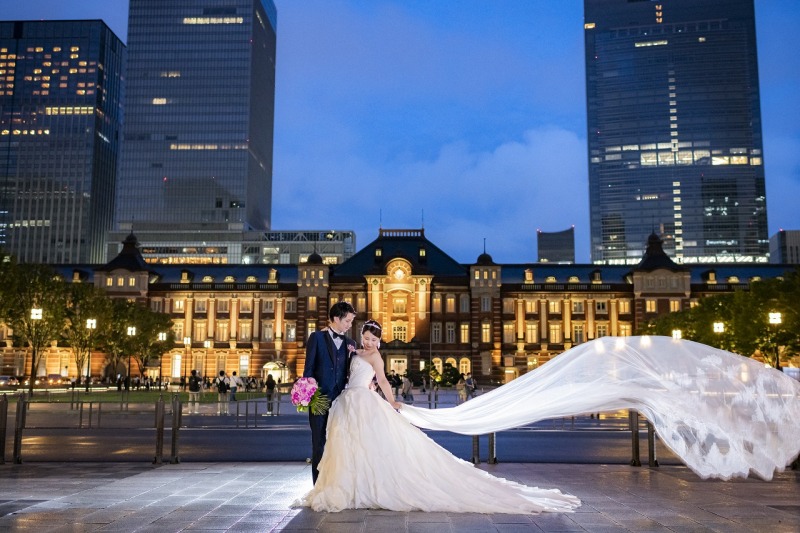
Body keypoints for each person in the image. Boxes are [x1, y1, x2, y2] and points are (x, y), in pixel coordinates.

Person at [296, 328, 800, 514]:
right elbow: (347, 381)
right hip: (354, 408)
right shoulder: (353, 352)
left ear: (377, 342)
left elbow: (382, 385)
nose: (371, 341)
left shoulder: (377, 360)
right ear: (360, 335)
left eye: (375, 337)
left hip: (371, 406)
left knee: (385, 455)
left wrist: (393, 400)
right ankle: (357, 487)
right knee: (366, 454)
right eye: (368, 335)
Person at [303, 301, 357, 484]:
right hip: (319, 400)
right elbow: (308, 370)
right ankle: (318, 486)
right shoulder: (316, 337)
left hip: (340, 401)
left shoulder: (351, 343)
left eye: (351, 321)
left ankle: (336, 484)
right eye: (347, 321)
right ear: (336, 318)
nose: (350, 325)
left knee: (339, 443)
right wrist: (308, 393)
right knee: (319, 443)